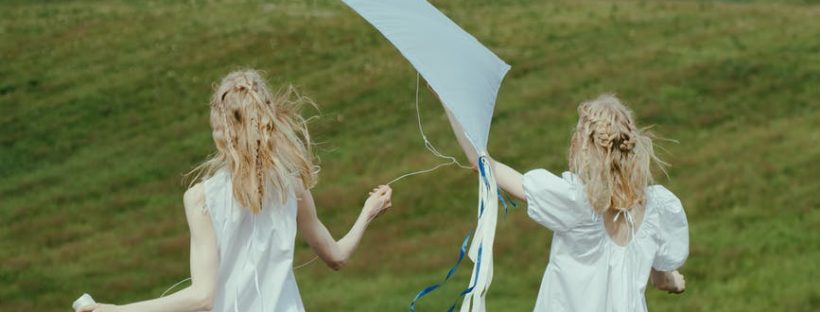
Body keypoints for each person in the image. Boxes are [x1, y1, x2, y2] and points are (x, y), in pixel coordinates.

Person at [77, 70, 393, 312]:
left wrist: (118, 309)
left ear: (220, 133)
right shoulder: (290, 184)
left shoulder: (201, 198)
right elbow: (336, 257)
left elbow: (203, 297)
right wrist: (368, 212)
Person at [445, 94, 688, 311]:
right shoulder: (655, 209)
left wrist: (449, 98)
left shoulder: (576, 201)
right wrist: (676, 282)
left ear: (583, 147)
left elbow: (483, 163)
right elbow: (661, 278)